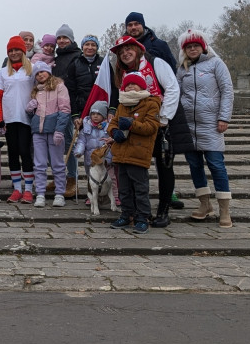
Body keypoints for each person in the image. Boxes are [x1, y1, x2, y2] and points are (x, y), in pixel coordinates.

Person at [81, 34, 191, 228]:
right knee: (131, 170)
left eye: (128, 50)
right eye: (121, 52)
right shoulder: (123, 72)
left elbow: (173, 89)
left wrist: (163, 118)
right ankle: (130, 212)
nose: (125, 54)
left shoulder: (155, 63)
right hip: (133, 128)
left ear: (138, 49)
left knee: (164, 167)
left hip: (163, 119)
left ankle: (162, 211)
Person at [176, 29, 235, 228]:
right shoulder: (182, 69)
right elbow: (176, 94)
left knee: (216, 165)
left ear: (203, 47)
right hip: (189, 126)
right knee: (194, 166)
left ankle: (224, 210)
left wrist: (224, 117)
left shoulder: (216, 64)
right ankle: (205, 204)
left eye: (196, 46)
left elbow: (227, 90)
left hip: (211, 124)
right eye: (189, 47)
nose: (192, 49)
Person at [105, 72, 162, 234]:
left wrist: (132, 124)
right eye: (127, 84)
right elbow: (113, 123)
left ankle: (142, 217)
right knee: (124, 188)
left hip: (138, 153)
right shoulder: (122, 103)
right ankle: (126, 214)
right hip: (121, 153)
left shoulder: (151, 103)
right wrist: (113, 131)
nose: (130, 87)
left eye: (134, 84)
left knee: (140, 188)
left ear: (142, 86)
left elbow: (151, 127)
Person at [26, 61, 70, 207]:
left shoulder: (59, 87)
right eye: (37, 74)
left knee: (57, 164)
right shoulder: (36, 91)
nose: (40, 75)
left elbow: (64, 109)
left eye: (42, 72)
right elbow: (34, 111)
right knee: (39, 164)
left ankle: (59, 194)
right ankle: (40, 193)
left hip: (54, 130)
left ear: (49, 72)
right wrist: (30, 109)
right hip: (38, 131)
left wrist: (60, 130)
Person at [0, 36, 36, 203]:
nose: (13, 53)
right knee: (12, 153)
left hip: (26, 117)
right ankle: (17, 189)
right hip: (10, 117)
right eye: (10, 50)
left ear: (23, 51)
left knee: (25, 152)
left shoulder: (32, 69)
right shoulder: (2, 71)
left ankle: (28, 189)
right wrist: (0, 116)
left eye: (16, 50)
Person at [52, 24, 82, 198]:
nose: (62, 41)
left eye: (65, 38)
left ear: (71, 40)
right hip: (54, 104)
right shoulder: (56, 57)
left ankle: (72, 179)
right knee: (55, 141)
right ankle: (59, 178)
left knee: (70, 139)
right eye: (59, 38)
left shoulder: (77, 56)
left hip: (70, 105)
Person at [73, 101, 118, 208]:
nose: (95, 116)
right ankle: (93, 197)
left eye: (98, 114)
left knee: (111, 178)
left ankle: (115, 196)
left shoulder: (108, 128)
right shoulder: (86, 128)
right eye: (93, 114)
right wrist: (79, 151)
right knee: (92, 180)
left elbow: (113, 140)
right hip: (91, 160)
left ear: (104, 115)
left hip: (106, 159)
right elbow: (81, 141)